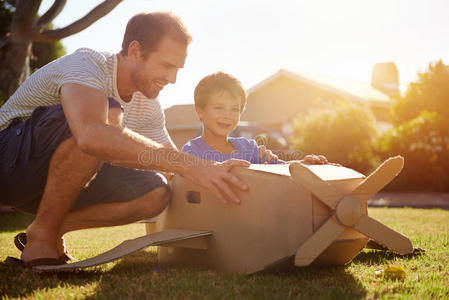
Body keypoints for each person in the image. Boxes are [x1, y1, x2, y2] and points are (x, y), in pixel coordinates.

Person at [0, 13, 249, 268]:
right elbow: (92, 134)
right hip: (7, 162)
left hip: (51, 185)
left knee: (157, 190)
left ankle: (46, 229)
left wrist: (213, 172)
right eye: (166, 65)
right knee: (105, 120)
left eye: (177, 68)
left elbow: (170, 162)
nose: (173, 79)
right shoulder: (87, 64)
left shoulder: (148, 104)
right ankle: (42, 239)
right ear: (135, 51)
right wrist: (192, 165)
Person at [182, 72, 328, 165]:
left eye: (235, 109)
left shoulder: (249, 148)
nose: (227, 115)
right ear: (200, 111)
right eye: (219, 108)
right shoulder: (191, 153)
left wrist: (303, 164)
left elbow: (282, 169)